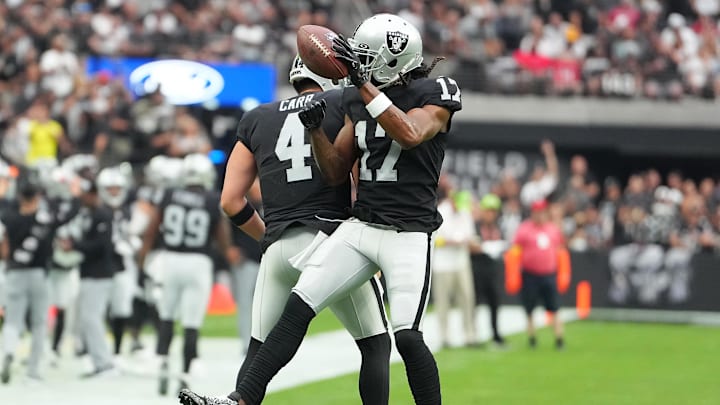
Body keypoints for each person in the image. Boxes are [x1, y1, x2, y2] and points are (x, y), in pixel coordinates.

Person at [182, 14, 462, 405]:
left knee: (407, 337)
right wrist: (316, 131)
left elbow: (411, 134)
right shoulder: (354, 100)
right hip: (362, 226)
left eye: (366, 56)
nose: (358, 63)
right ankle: (238, 401)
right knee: (298, 306)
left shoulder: (434, 93)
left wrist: (362, 83)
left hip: (408, 234)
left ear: (395, 57)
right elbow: (333, 172)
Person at [180, 55, 392, 405]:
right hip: (330, 240)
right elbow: (360, 178)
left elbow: (231, 201)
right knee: (375, 344)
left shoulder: (257, 118)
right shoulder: (342, 101)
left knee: (257, 355)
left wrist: (267, 236)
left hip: (278, 247)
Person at [140, 153, 233, 395]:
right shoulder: (212, 199)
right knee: (191, 323)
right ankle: (185, 376)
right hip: (198, 262)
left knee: (167, 315)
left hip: (170, 259)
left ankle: (162, 363)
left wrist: (142, 258)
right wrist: (227, 255)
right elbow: (222, 239)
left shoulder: (169, 195)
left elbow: (151, 229)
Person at [0, 173, 79, 383]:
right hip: (39, 274)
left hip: (14, 272)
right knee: (38, 323)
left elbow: (4, 244)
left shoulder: (9, 216)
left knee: (12, 320)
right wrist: (74, 194)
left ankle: (8, 351)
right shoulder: (47, 218)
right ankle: (33, 371)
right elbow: (71, 213)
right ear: (38, 194)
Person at [60, 174, 118, 377]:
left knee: (92, 319)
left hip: (99, 274)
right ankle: (99, 362)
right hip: (89, 273)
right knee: (87, 319)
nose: (82, 197)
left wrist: (74, 245)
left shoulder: (102, 214)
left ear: (93, 193)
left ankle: (105, 364)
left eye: (85, 194)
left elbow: (101, 246)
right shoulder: (90, 213)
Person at [96, 165, 140, 358]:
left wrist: (132, 242)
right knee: (95, 310)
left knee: (122, 307)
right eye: (110, 189)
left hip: (122, 265)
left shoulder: (126, 211)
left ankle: (117, 349)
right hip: (99, 266)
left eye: (117, 188)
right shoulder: (97, 211)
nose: (114, 193)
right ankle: (89, 349)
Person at [512, 199, 565, 350]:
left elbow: (560, 250)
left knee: (554, 307)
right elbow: (515, 250)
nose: (540, 215)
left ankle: (559, 338)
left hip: (549, 274)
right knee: (529, 308)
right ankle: (532, 337)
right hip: (530, 274)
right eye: (537, 212)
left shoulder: (553, 229)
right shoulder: (524, 229)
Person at [433, 188, 477, 348]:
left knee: (467, 298)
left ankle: (470, 335)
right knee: (443, 302)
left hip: (461, 262)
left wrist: (460, 240)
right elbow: (438, 238)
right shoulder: (440, 211)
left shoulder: (465, 212)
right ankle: (444, 337)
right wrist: (454, 241)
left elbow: (469, 235)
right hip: (443, 265)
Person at [471, 193, 507, 347]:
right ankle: (473, 335)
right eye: (488, 210)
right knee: (474, 303)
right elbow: (471, 245)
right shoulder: (475, 226)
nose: (491, 214)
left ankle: (496, 334)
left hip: (493, 270)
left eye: (493, 211)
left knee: (494, 303)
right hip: (477, 269)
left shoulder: (498, 227)